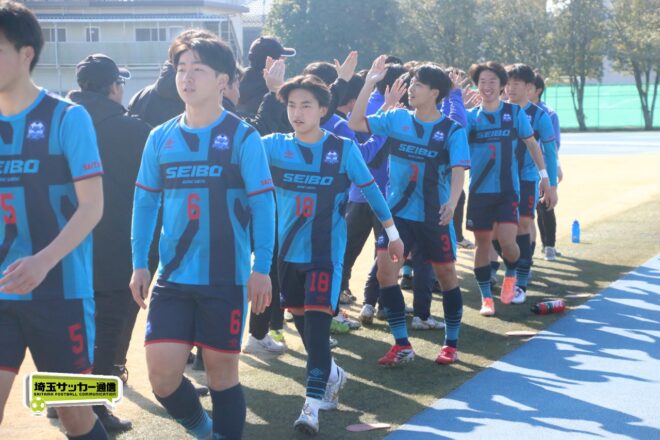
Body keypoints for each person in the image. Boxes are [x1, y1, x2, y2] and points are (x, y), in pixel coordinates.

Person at [129, 31, 275, 439]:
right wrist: (140, 263)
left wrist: (261, 267)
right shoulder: (160, 137)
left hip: (225, 278)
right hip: (173, 279)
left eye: (198, 69)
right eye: (181, 69)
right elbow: (145, 204)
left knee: (221, 375)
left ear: (223, 80)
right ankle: (206, 431)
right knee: (162, 377)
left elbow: (264, 207)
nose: (186, 78)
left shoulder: (243, 137)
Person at [262, 74, 403, 435]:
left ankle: (311, 407)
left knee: (318, 326)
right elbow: (238, 149)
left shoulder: (342, 149)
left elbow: (371, 190)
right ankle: (333, 373)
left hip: (325, 255)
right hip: (287, 255)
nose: (297, 113)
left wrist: (392, 234)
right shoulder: (273, 146)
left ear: (323, 109)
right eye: (291, 105)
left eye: (306, 105)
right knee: (303, 324)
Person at [0, 2, 107, 439]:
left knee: (75, 416)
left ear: (26, 53)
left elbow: (92, 206)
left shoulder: (68, 117)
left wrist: (43, 261)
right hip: (2, 293)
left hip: (61, 293)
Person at [349, 57, 470, 365]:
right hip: (397, 217)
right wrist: (369, 83)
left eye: (419, 85)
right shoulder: (396, 119)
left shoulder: (452, 130)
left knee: (446, 276)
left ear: (435, 93)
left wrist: (453, 202)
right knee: (386, 274)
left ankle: (451, 345)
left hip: (434, 216)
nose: (411, 89)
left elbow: (459, 170)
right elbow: (356, 123)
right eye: (412, 83)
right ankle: (402, 344)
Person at [67, 53, 152, 432]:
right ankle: (96, 410)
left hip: (62, 245)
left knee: (69, 331)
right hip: (115, 244)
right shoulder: (133, 130)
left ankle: (66, 404)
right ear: (115, 87)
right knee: (106, 332)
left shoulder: (58, 121)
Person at [464, 61, 552, 316]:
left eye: (492, 81)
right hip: (479, 192)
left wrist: (544, 176)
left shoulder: (514, 113)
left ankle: (512, 272)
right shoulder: (470, 118)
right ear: (476, 86)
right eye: (482, 82)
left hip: (508, 190)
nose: (487, 86)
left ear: (501, 85)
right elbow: (455, 148)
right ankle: (486, 299)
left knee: (507, 241)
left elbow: (533, 144)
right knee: (482, 244)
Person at [503, 63, 558, 304]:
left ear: (529, 87)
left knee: (523, 224)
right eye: (507, 83)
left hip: (527, 178)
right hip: (498, 180)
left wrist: (551, 185)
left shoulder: (539, 116)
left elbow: (550, 152)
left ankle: (520, 281)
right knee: (495, 232)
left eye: (516, 84)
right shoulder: (498, 111)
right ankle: (510, 268)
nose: (510, 88)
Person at [532, 71, 563, 261]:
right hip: (523, 169)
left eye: (527, 86)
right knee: (528, 210)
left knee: (545, 205)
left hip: (542, 167)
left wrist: (555, 167)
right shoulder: (515, 110)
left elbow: (553, 146)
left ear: (537, 90)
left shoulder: (548, 114)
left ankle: (549, 245)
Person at [238, 35, 295, 116]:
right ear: (270, 61)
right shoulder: (271, 89)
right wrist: (277, 90)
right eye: (281, 58)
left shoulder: (236, 80)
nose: (284, 60)